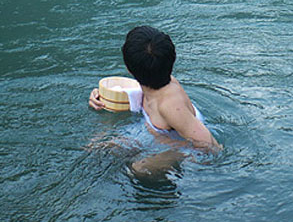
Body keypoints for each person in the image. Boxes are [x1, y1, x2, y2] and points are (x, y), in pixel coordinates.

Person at [88, 26, 221, 153]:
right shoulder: (155, 78)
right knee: (95, 145)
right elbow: (128, 90)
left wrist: (162, 144)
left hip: (174, 145)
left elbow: (211, 147)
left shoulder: (170, 106)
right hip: (151, 131)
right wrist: (101, 97)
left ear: (129, 69)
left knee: (138, 168)